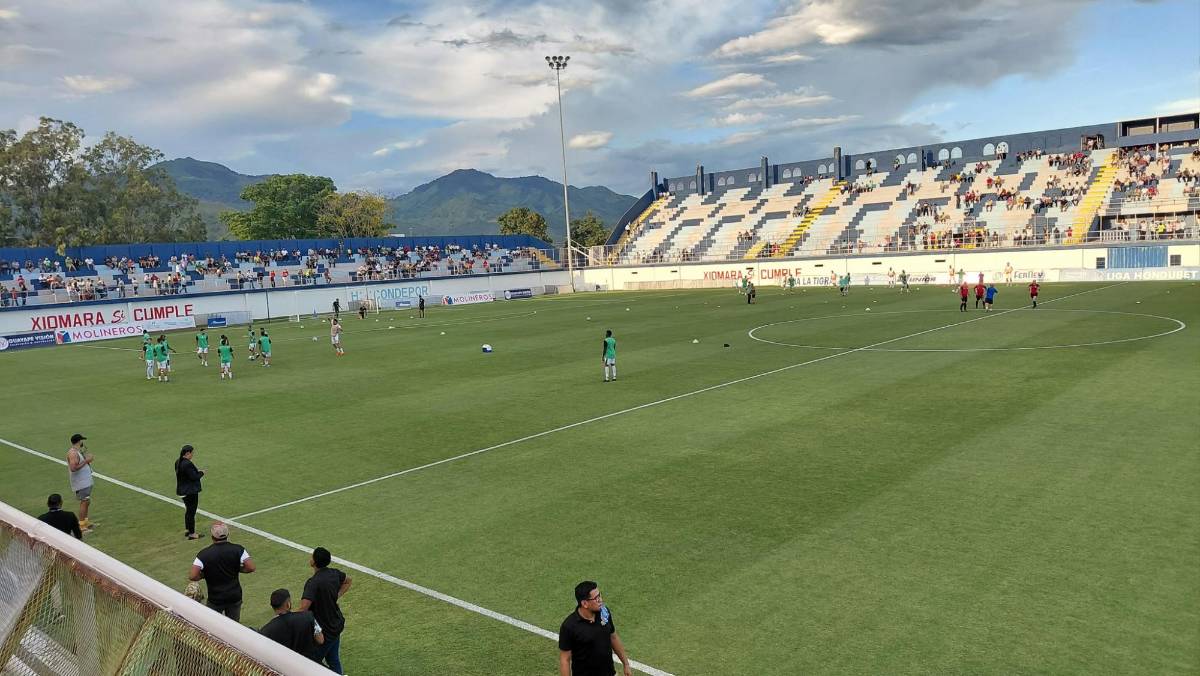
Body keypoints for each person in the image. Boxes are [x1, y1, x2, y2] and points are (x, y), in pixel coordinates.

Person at [558, 581, 633, 676]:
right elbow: (565, 659)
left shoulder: (604, 613)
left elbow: (613, 637)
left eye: (600, 595)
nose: (600, 600)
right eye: (596, 598)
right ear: (585, 603)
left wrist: (626, 664)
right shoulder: (569, 626)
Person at [189, 522, 255, 621]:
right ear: (228, 534)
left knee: (213, 626)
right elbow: (251, 567)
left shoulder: (204, 554)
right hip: (234, 596)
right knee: (234, 626)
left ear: (212, 536)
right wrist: (238, 569)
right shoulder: (238, 549)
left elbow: (193, 576)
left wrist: (204, 575)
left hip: (215, 598)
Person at [301, 546, 351, 674]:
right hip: (336, 624)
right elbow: (348, 581)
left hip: (325, 631)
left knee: (312, 662)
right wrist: (336, 596)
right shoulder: (334, 573)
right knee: (333, 659)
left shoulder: (313, 583)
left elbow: (303, 609)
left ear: (314, 562)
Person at [260, 588, 324, 658]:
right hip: (310, 663)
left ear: (272, 606)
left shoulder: (266, 631)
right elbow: (320, 640)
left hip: (287, 666)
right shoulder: (308, 616)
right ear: (288, 604)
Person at [175, 445, 205, 540]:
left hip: (182, 490)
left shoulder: (178, 462)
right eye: (192, 453)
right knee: (191, 511)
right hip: (189, 491)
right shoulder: (187, 464)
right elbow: (194, 477)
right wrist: (202, 473)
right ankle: (192, 533)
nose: (193, 455)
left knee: (188, 510)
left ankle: (188, 529)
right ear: (188, 453)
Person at [66, 434, 94, 533]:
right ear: (79, 441)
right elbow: (73, 468)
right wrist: (86, 461)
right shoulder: (73, 453)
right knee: (84, 501)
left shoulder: (77, 451)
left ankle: (85, 522)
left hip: (85, 481)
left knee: (87, 501)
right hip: (81, 482)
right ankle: (81, 526)